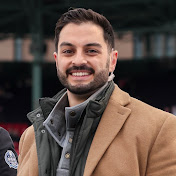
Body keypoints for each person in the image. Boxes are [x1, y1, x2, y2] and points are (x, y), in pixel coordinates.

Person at [17, 8, 176, 176]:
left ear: (112, 60)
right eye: (68, 51)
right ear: (57, 61)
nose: (78, 60)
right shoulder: (30, 137)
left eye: (91, 50)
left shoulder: (160, 129)